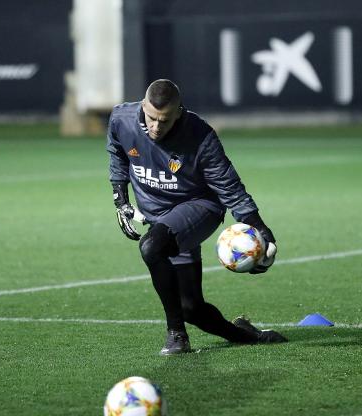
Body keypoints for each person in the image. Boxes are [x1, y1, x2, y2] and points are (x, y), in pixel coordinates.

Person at [106, 79, 287, 355]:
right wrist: (120, 197)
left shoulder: (201, 135)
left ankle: (176, 334)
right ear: (143, 106)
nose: (156, 127)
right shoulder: (121, 118)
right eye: (152, 118)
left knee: (151, 247)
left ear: (179, 111)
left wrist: (258, 226)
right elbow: (117, 152)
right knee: (191, 308)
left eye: (164, 121)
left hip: (199, 207)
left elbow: (229, 186)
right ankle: (247, 335)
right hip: (161, 220)